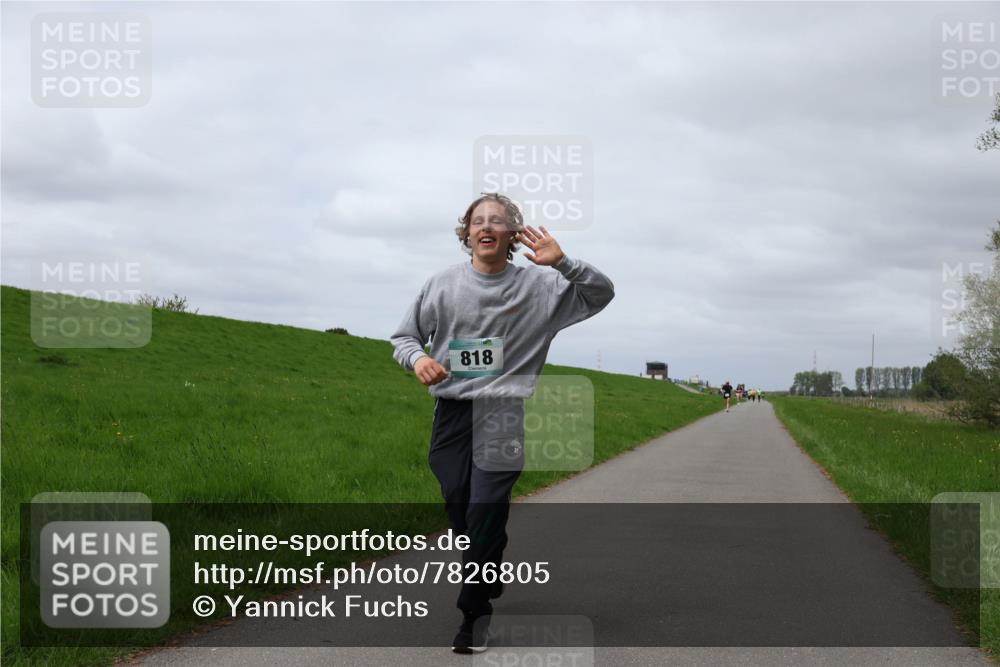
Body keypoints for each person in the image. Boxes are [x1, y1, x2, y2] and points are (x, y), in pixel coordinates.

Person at [390, 193, 614, 654]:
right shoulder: (442, 285)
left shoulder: (542, 287)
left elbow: (601, 294)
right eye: (478, 220)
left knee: (485, 509)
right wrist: (417, 361)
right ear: (467, 232)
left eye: (498, 221)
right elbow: (405, 336)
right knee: (460, 505)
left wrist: (566, 264)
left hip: (502, 414)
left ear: (513, 235)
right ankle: (488, 556)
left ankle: (474, 615)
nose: (487, 226)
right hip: (451, 413)